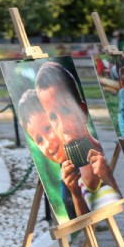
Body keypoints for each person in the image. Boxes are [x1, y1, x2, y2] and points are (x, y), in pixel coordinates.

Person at [35, 61, 122, 212]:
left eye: (66, 111)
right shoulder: (68, 176)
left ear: (83, 111)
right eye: (54, 118)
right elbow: (82, 221)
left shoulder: (102, 157)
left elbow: (118, 202)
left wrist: (108, 177)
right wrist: (75, 192)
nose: (63, 127)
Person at [17, 88, 89, 219]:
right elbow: (78, 220)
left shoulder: (89, 152)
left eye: (48, 128)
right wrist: (75, 193)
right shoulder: (66, 179)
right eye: (39, 140)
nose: (48, 144)